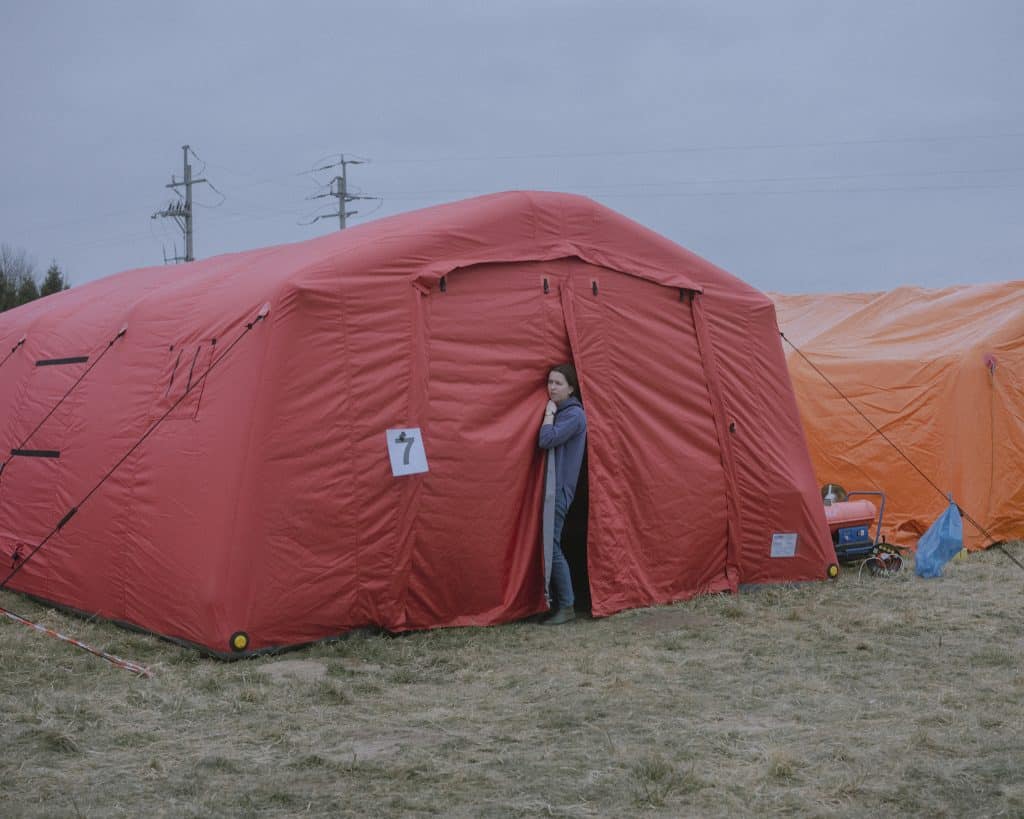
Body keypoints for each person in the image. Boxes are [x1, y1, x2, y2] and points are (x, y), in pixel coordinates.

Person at [537, 363, 587, 625]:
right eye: (550, 382)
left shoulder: (574, 415)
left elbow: (547, 439)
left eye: (558, 383)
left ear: (571, 388)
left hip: (558, 493)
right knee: (548, 544)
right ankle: (557, 602)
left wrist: (548, 413)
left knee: (552, 545)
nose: (552, 388)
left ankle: (567, 605)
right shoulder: (566, 411)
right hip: (550, 491)